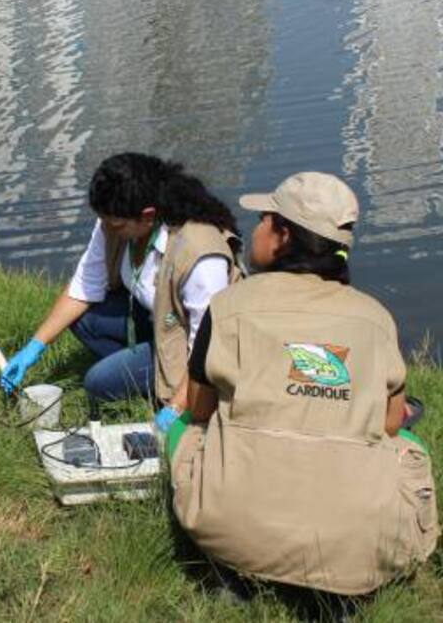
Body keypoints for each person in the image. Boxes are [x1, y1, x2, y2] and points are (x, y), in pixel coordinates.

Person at [167, 172, 438, 596]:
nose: (254, 228)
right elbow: (389, 424)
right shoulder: (375, 318)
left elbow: (200, 410)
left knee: (185, 430)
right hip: (361, 549)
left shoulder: (228, 306)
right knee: (410, 446)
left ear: (282, 236)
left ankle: (232, 567)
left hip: (235, 532)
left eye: (264, 219)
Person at [0, 154, 243, 419]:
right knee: (85, 319)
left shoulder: (200, 255)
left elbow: (205, 343)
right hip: (157, 322)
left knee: (97, 383)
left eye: (115, 225)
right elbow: (84, 287)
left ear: (148, 216)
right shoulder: (115, 220)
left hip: (189, 342)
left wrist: (177, 407)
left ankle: (162, 385)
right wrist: (34, 348)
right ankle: (142, 371)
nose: (106, 230)